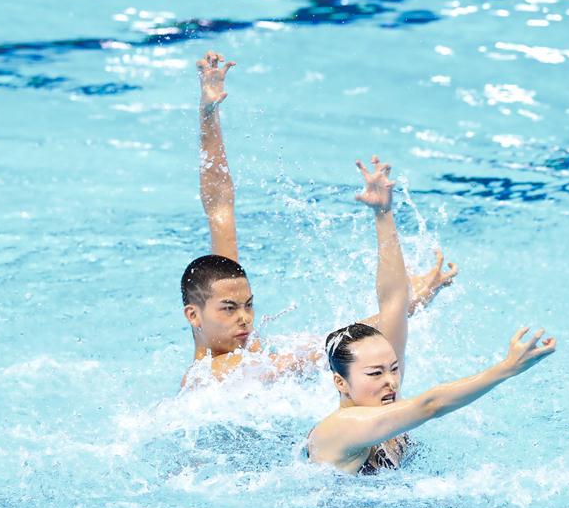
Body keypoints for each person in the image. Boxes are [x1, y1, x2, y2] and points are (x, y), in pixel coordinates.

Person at [181, 51, 458, 387]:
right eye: (229, 308)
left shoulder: (246, 350)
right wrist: (403, 307)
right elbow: (329, 348)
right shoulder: (208, 380)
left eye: (249, 305)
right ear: (193, 315)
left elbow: (220, 207)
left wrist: (208, 114)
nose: (244, 318)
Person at [306, 155, 557, 474]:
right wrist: (506, 369)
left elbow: (394, 302)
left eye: (393, 368)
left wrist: (383, 214)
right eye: (375, 373)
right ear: (341, 383)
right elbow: (431, 405)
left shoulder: (381, 404)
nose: (391, 381)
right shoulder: (343, 427)